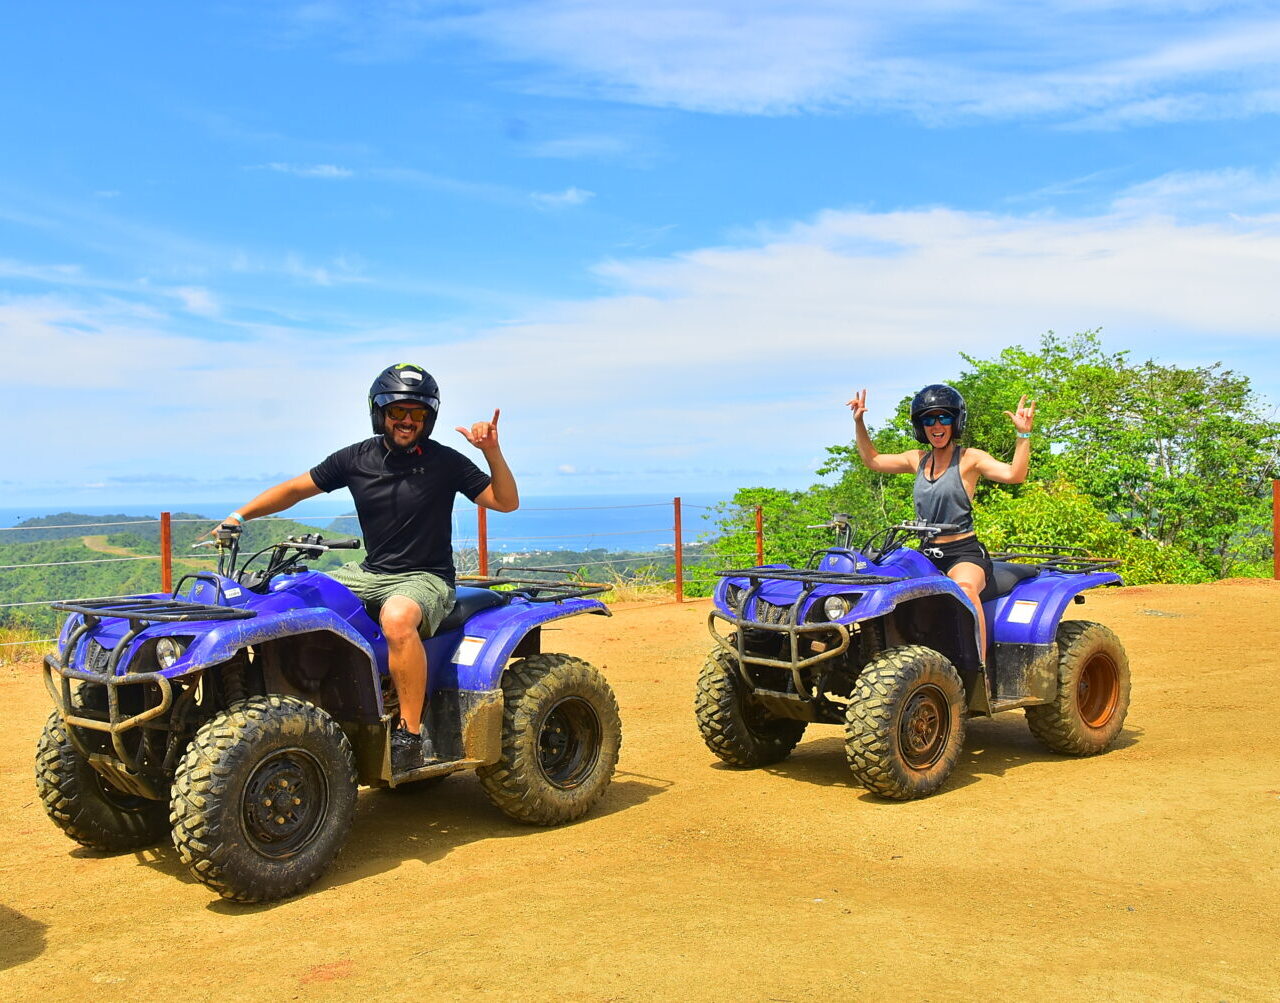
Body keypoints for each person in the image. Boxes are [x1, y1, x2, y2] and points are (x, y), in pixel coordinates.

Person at [212, 363, 518, 772]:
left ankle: (409, 733)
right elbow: (293, 490)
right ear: (380, 413)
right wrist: (239, 515)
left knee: (397, 618)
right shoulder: (356, 458)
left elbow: (504, 501)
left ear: (429, 418)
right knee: (290, 593)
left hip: (424, 577)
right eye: (397, 412)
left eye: (418, 414)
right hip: (369, 573)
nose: (407, 421)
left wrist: (491, 451)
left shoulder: (446, 462)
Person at [847, 383, 1035, 660]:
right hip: (926, 553)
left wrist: (1023, 434)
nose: (936, 425)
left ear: (955, 421)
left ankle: (977, 670)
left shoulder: (970, 459)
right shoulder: (917, 460)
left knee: (965, 589)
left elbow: (1014, 475)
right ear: (920, 426)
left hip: (963, 553)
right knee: (884, 585)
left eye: (943, 417)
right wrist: (859, 422)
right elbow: (873, 460)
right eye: (928, 419)